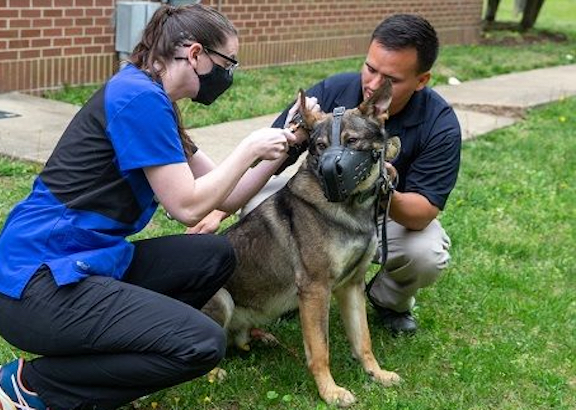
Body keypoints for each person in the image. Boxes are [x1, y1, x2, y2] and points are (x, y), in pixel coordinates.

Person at [0, 4, 304, 410]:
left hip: (82, 264)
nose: (229, 75)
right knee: (202, 343)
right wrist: (247, 148)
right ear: (196, 54)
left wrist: (285, 151)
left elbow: (226, 196)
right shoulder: (138, 99)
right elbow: (188, 207)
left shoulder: (153, 98)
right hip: (33, 286)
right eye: (227, 62)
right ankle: (34, 384)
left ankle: (121, 358)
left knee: (214, 254)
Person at [194, 13, 461, 335]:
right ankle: (287, 294)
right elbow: (271, 157)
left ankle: (388, 300)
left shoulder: (439, 124)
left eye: (389, 79)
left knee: (425, 253)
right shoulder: (334, 92)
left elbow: (421, 213)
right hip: (319, 206)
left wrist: (378, 182)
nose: (373, 85)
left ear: (422, 80)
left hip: (382, 213)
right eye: (370, 68)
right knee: (258, 209)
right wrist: (220, 209)